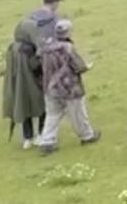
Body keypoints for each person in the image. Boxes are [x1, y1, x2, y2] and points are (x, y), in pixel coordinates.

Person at [37, 18, 98, 152]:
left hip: (50, 87)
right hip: (69, 88)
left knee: (52, 114)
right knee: (77, 113)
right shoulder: (67, 47)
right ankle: (87, 136)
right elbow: (78, 66)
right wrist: (86, 67)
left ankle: (47, 141)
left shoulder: (45, 48)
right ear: (68, 32)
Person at [1, 1, 53, 149]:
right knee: (42, 106)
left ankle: (27, 138)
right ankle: (41, 134)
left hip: (17, 87)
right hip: (32, 84)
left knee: (23, 109)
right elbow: (35, 66)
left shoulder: (12, 48)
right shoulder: (28, 50)